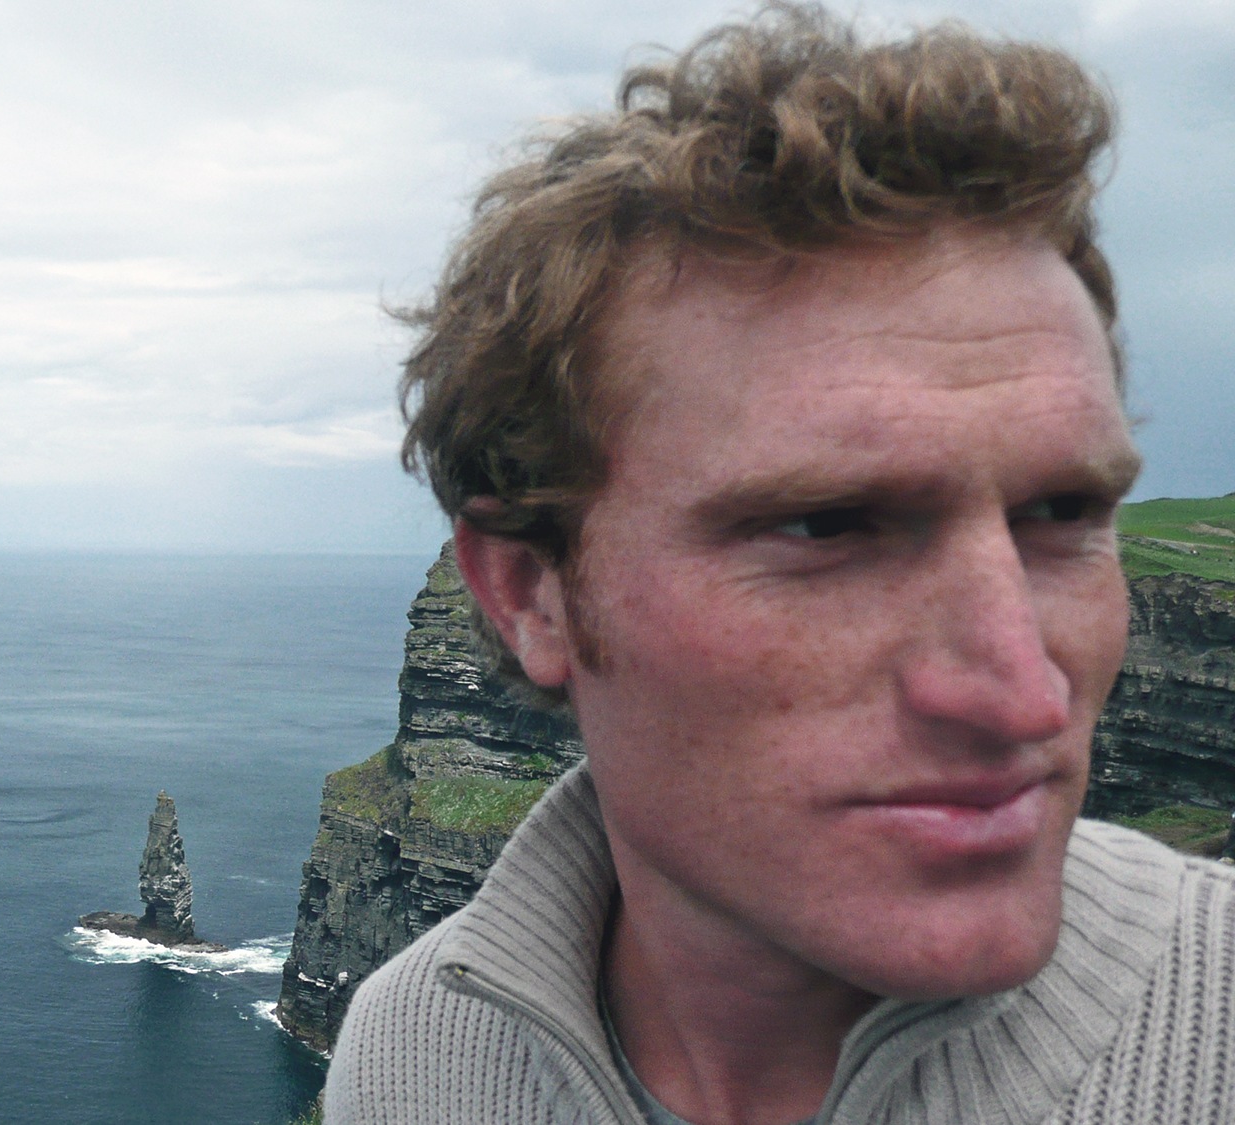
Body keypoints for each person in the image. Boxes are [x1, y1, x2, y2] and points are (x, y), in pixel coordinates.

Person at [323, 4, 1235, 1123]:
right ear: (527, 592)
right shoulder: (411, 1052)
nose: (1020, 689)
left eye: (1061, 512)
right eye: (826, 529)